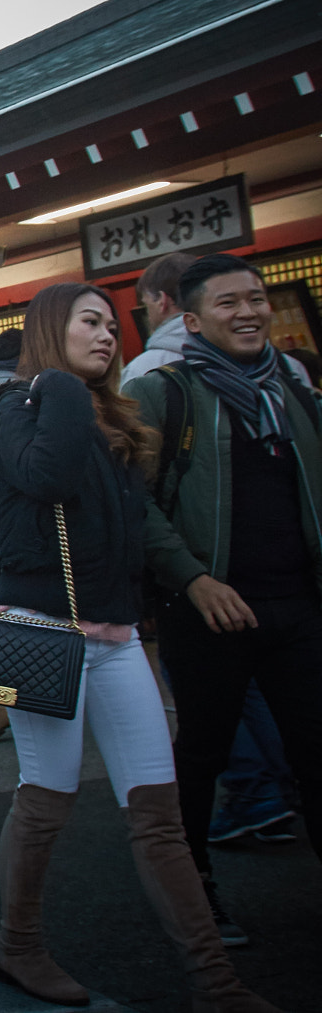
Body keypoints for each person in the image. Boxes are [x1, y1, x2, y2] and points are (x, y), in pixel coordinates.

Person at [0, 282, 276, 1012]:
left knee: (156, 808)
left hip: (117, 633)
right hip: (37, 630)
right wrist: (63, 385)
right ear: (49, 330)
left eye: (113, 324)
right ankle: (19, 944)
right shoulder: (23, 405)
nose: (109, 335)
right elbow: (45, 478)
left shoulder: (111, 414)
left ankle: (216, 983)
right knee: (46, 797)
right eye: (90, 322)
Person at [121, 253, 322, 941]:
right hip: (207, 606)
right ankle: (195, 884)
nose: (248, 311)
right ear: (192, 317)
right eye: (229, 302)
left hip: (297, 601)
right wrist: (191, 577)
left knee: (314, 747)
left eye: (257, 298)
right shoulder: (164, 392)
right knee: (203, 752)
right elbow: (137, 504)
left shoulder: (291, 388)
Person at [120, 251, 199, 384]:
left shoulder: (141, 370)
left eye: (146, 305)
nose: (148, 316)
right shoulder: (231, 350)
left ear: (162, 301)